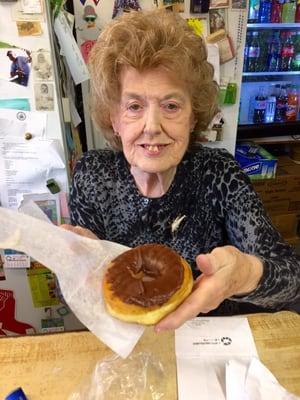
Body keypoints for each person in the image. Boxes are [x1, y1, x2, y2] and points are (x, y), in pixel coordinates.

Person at [63, 9, 300, 331]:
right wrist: (83, 264)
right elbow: (83, 299)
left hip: (207, 342)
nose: (152, 127)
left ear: (193, 117)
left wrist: (246, 273)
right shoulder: (92, 176)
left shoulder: (219, 175)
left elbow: (291, 277)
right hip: (124, 341)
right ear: (114, 118)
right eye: (134, 107)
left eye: (171, 106)